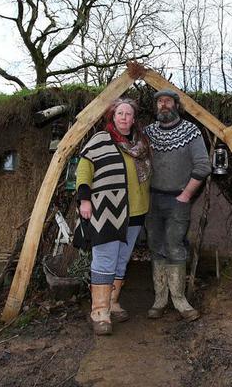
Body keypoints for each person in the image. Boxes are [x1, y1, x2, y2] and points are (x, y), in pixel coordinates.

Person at [75, 98, 151, 335]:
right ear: (113, 116)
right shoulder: (101, 140)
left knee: (121, 260)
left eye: (129, 114)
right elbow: (84, 168)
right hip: (108, 211)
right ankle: (99, 311)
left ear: (133, 119)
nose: (124, 117)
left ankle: (113, 302)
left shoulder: (141, 144)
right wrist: (84, 199)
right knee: (105, 259)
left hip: (136, 211)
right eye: (120, 113)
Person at [144, 89, 211, 322]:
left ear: (176, 105)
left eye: (168, 101)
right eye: (160, 101)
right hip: (151, 201)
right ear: (156, 106)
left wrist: (185, 195)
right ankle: (160, 299)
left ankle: (180, 300)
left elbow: (203, 166)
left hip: (178, 201)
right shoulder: (148, 133)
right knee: (156, 247)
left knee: (174, 246)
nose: (164, 105)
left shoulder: (191, 131)